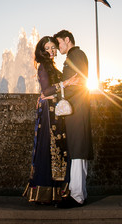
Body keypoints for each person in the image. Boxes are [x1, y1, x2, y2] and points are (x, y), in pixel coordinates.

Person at [23, 36, 80, 204]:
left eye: (53, 47)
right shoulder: (43, 66)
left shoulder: (52, 66)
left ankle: (57, 192)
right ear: (42, 50)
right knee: (50, 149)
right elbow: (47, 90)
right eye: (47, 48)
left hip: (54, 111)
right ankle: (45, 193)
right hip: (48, 114)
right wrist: (66, 83)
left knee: (58, 150)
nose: (51, 50)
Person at [53, 29, 93, 208]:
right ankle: (81, 193)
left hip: (77, 108)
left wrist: (58, 91)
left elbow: (77, 83)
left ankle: (76, 196)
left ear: (67, 40)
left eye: (59, 43)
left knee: (77, 151)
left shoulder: (75, 55)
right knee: (79, 151)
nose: (58, 47)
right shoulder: (76, 55)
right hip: (78, 108)